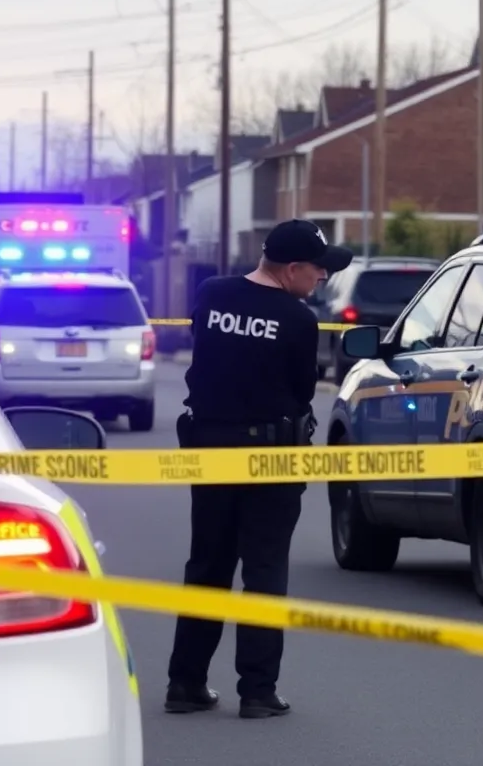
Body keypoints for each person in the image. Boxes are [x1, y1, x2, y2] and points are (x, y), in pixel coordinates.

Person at [165, 219, 353, 720]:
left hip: (209, 449)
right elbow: (300, 391)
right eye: (318, 271)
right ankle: (257, 690)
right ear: (292, 268)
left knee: (207, 565)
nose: (321, 280)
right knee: (264, 571)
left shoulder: (211, 293)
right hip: (272, 456)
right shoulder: (296, 319)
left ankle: (184, 684)